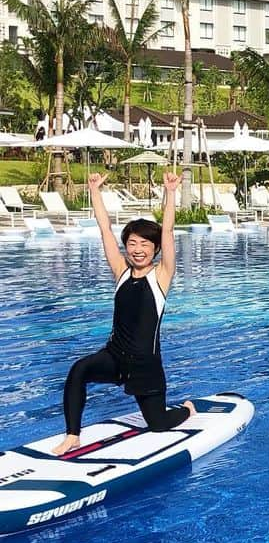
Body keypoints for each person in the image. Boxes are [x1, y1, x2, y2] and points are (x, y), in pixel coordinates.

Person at [49, 172, 195, 455]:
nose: (138, 250)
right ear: (126, 246)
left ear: (154, 249)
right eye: (132, 244)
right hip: (115, 356)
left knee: (159, 424)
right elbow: (105, 230)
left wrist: (171, 193)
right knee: (79, 369)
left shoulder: (161, 276)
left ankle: (187, 410)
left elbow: (167, 231)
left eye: (145, 245)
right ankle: (72, 435)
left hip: (145, 365)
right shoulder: (121, 272)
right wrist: (94, 191)